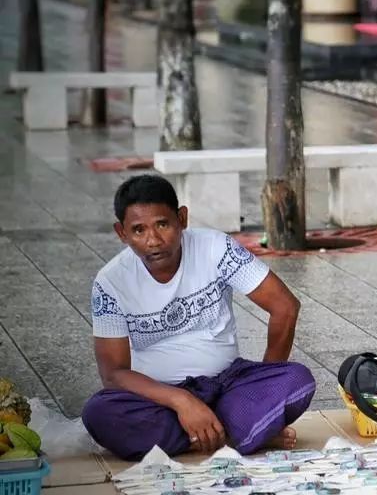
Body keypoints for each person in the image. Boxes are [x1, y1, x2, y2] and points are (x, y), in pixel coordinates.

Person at [82, 175, 316, 461]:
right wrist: (182, 401)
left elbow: (285, 306)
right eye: (139, 230)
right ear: (122, 233)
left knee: (296, 380)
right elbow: (113, 373)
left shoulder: (216, 248)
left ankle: (213, 430)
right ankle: (240, 432)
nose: (153, 241)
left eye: (163, 224)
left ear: (182, 218)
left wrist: (265, 385)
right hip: (161, 401)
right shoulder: (110, 282)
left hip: (229, 385)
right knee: (99, 413)